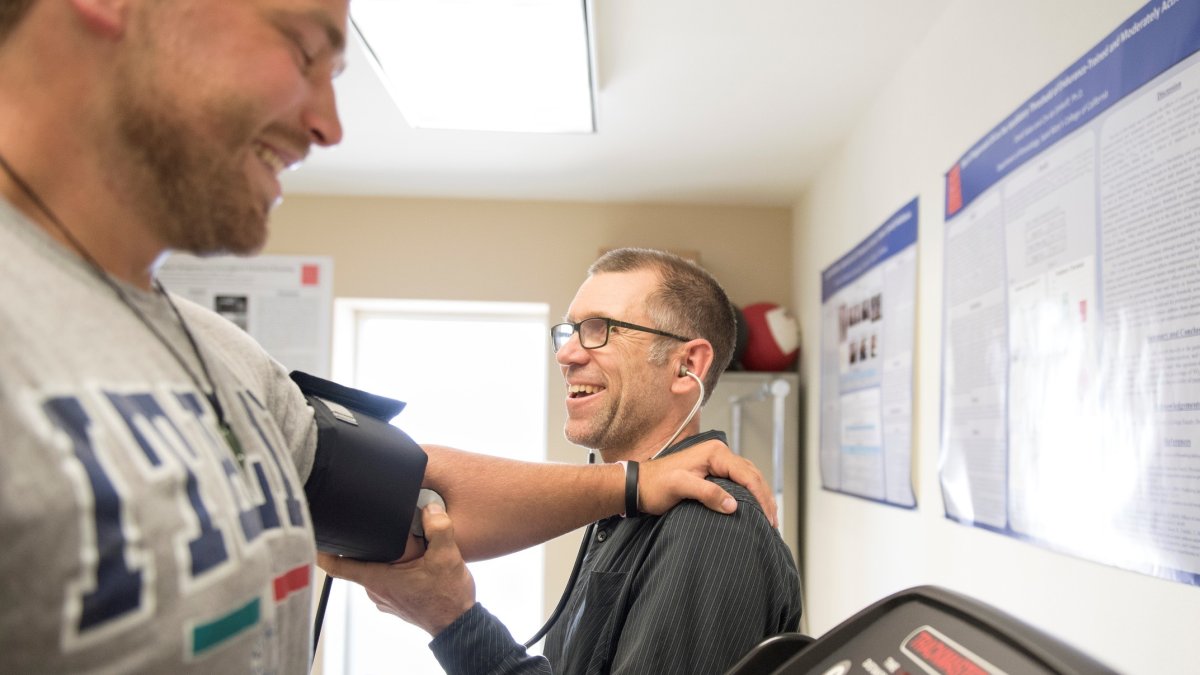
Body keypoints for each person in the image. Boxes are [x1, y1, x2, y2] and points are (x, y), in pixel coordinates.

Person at [0, 1, 778, 672]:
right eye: (301, 47)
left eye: (601, 329)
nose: (329, 126)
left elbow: (413, 488)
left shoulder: (230, 362)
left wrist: (632, 485)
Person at [322, 248, 803, 674]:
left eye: (600, 330)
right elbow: (433, 474)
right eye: (570, 331)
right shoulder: (623, 511)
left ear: (687, 366)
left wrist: (452, 620)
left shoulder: (710, 520)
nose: (567, 354)